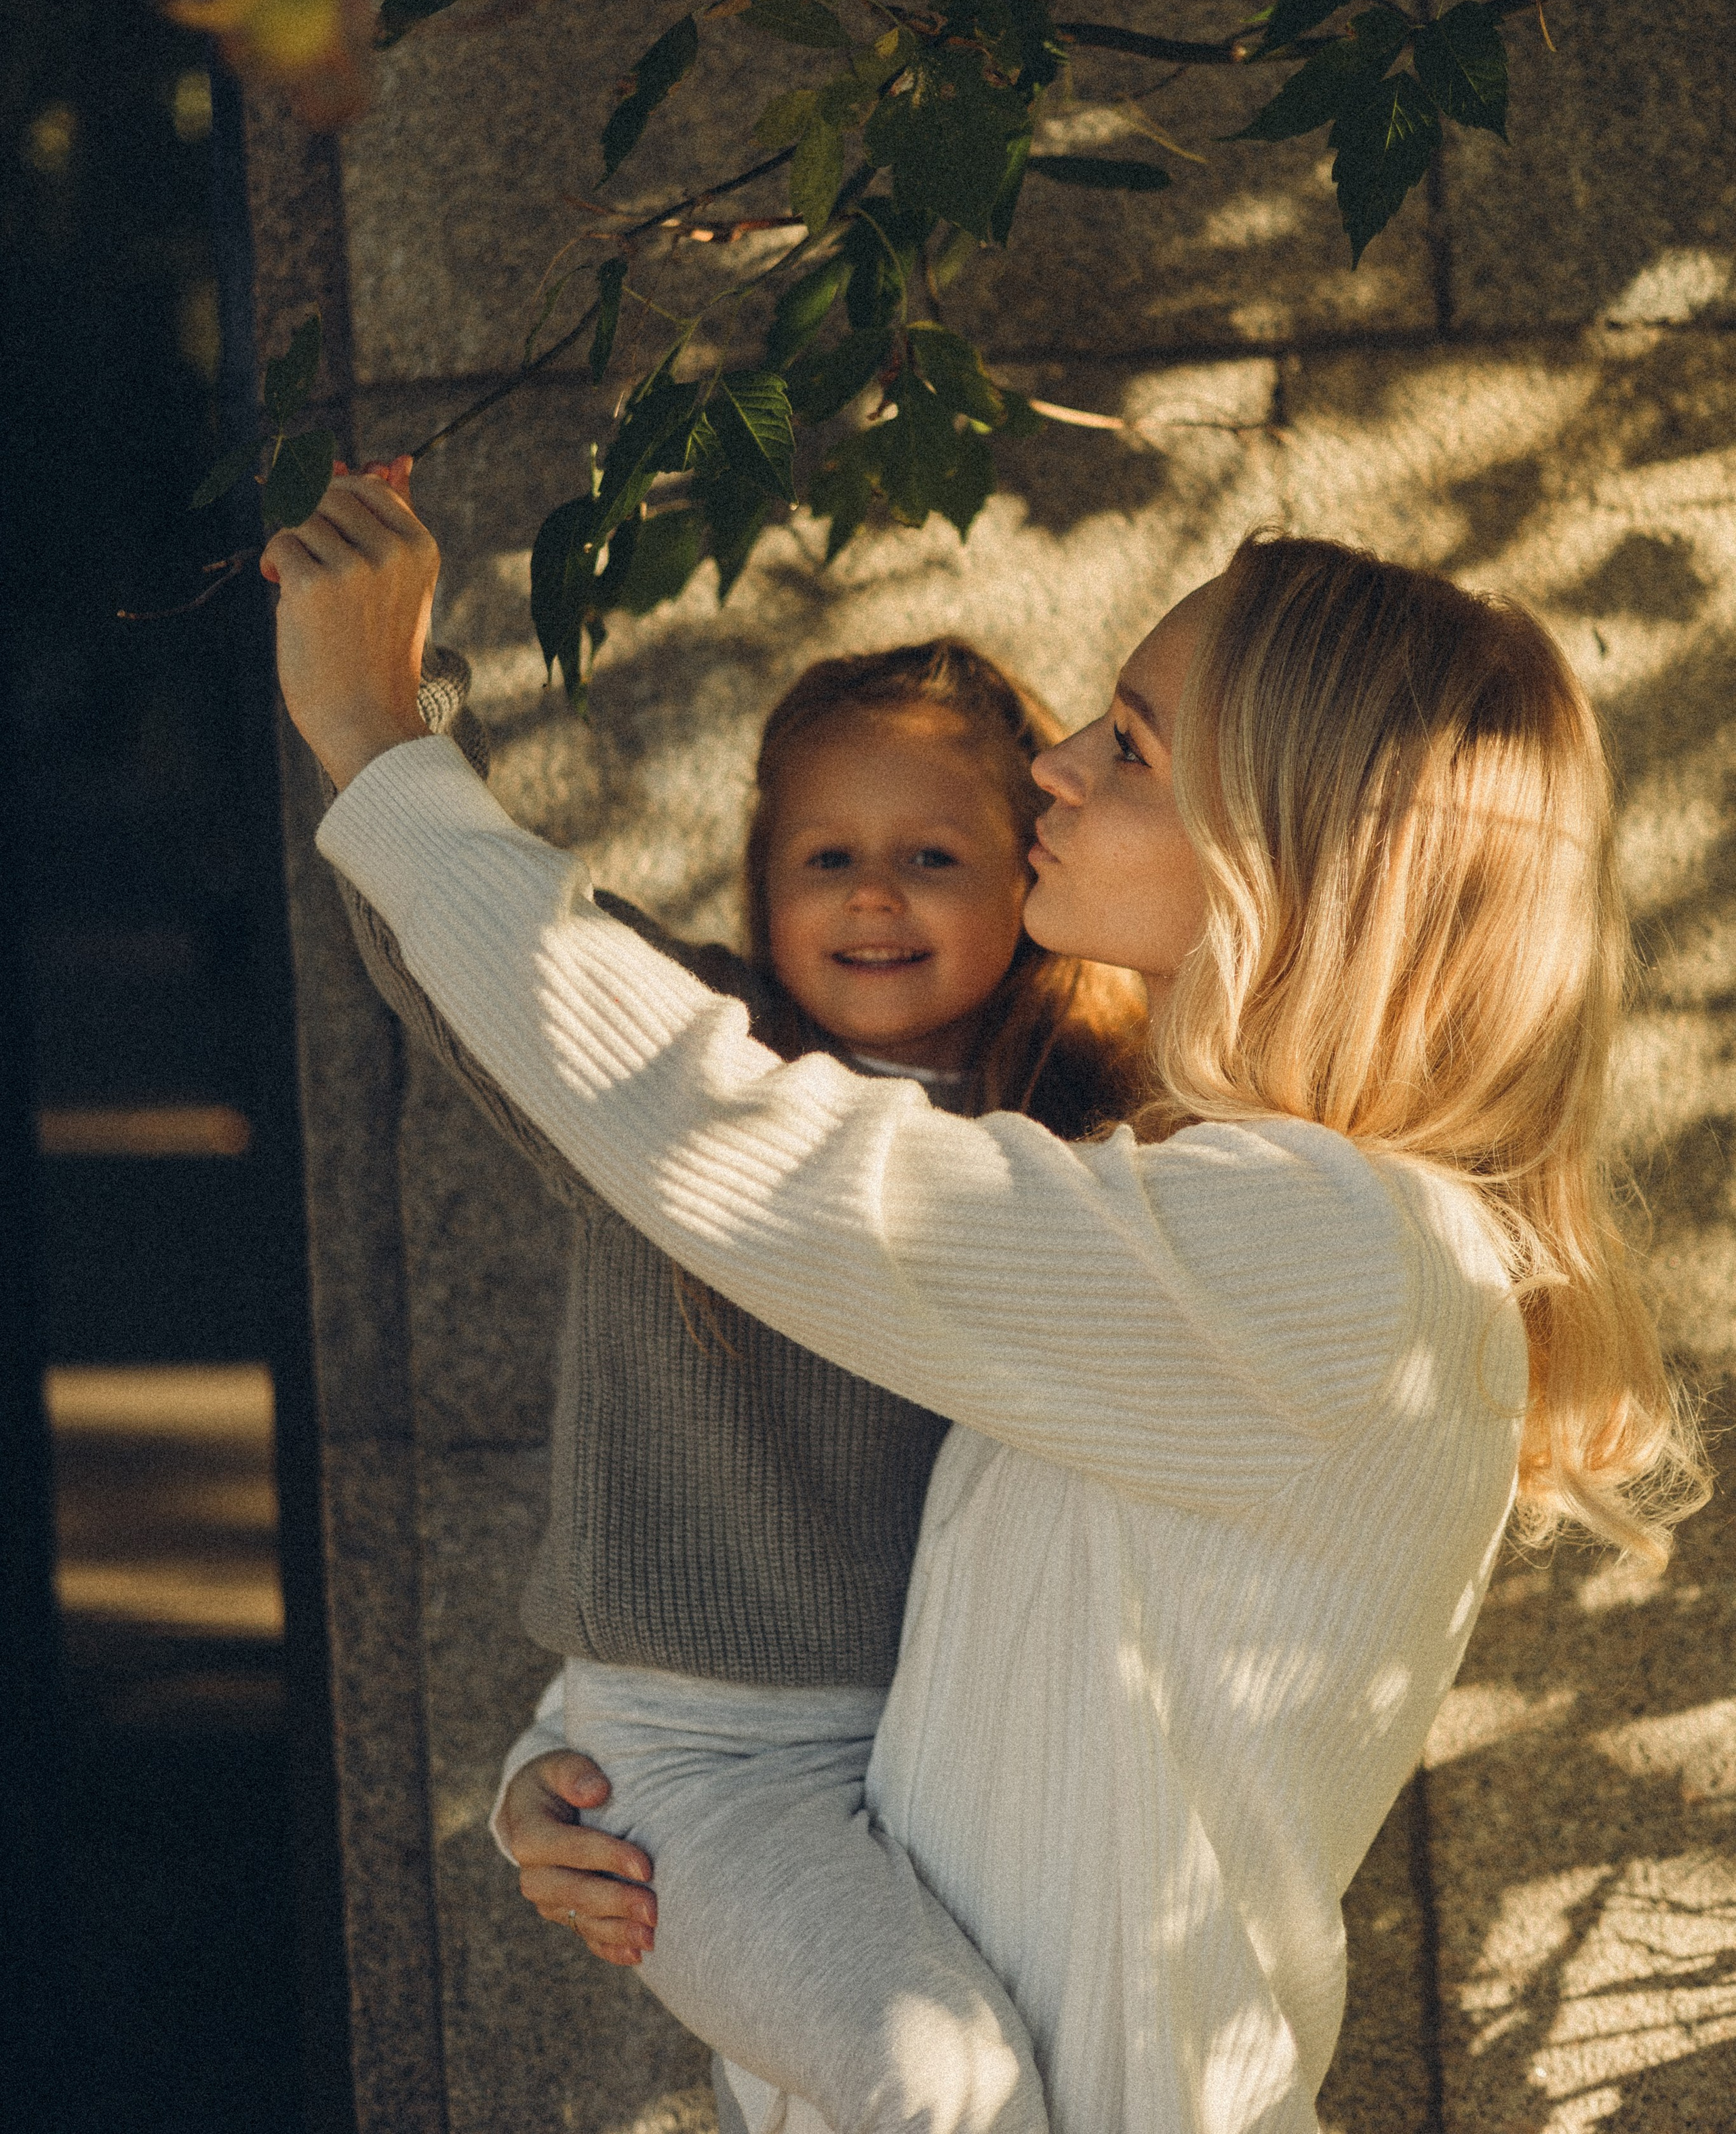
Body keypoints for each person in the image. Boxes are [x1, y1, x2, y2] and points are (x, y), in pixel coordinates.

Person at [271, 471, 1707, 2134]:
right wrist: (578, 1760)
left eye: (1131, 744)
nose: (1053, 764)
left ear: (1292, 843)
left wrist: (384, 746)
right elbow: (918, 1638)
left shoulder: (1330, 1255)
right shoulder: (1218, 1222)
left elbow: (743, 1154)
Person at [284, 465, 1148, 2134]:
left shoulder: (1089, 1129)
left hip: (973, 1748)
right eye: (823, 855)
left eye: (929, 855)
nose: (871, 895)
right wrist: (389, 715)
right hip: (711, 1762)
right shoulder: (682, 1080)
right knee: (939, 2088)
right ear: (758, 883)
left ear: (1028, 878)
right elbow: (475, 955)